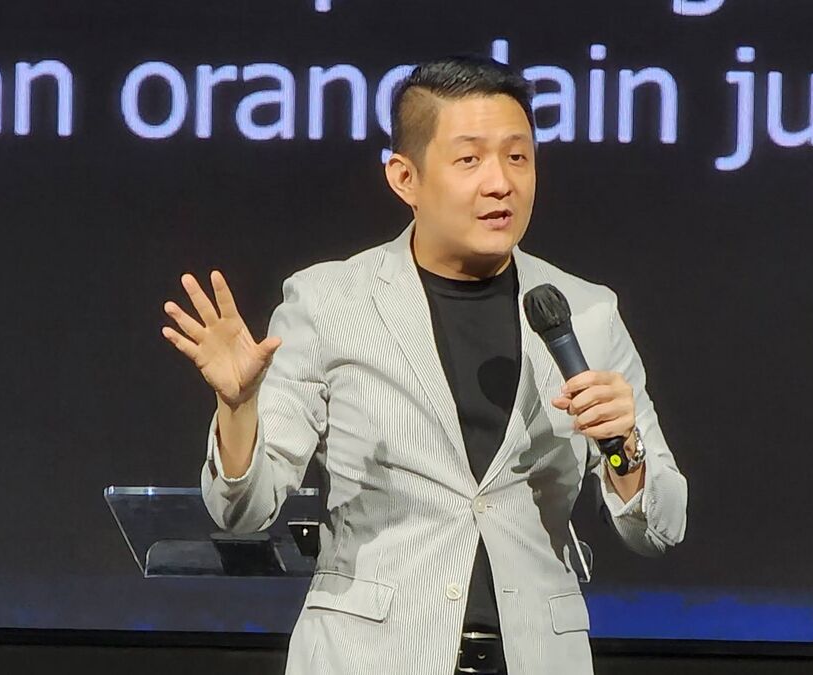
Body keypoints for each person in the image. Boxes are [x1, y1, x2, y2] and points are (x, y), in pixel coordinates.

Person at [161, 54, 688, 675]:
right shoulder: (329, 301)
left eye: (518, 157)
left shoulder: (586, 312)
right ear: (404, 177)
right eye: (470, 160)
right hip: (369, 658)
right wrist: (238, 408)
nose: (500, 183)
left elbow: (661, 528)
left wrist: (625, 448)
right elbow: (242, 512)